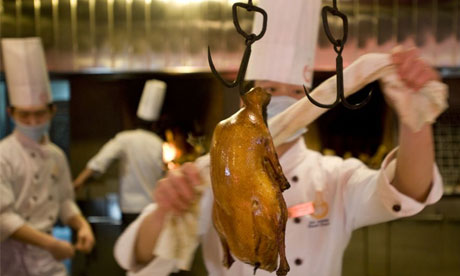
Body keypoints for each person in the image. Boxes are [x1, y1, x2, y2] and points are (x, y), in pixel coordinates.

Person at [113, 1, 444, 275]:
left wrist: (416, 121)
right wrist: (164, 210)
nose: (282, 101)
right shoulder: (211, 173)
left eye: (296, 93)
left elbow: (407, 191)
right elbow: (140, 257)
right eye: (269, 90)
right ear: (245, 101)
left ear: (310, 101)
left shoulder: (333, 176)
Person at [0, 37, 95, 276]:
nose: (33, 122)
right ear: (11, 113)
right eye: (25, 116)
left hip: (48, 263)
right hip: (11, 262)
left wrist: (82, 225)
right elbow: (3, 217)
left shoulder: (56, 155)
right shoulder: (3, 154)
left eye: (40, 114)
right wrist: (50, 243)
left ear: (52, 111)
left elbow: (64, 201)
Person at [73, 79, 166, 227]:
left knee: (129, 250)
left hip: (129, 209)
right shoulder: (158, 143)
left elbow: (100, 160)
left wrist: (79, 181)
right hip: (152, 208)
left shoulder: (125, 139)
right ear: (155, 124)